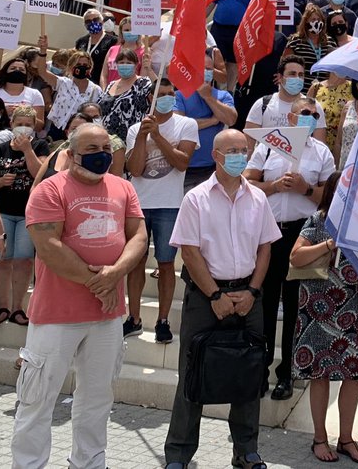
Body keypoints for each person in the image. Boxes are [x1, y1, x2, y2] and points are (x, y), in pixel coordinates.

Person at [11, 123, 147, 469]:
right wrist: (100, 283)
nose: (103, 154)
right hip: (56, 315)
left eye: (107, 146)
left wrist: (114, 274)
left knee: (97, 399)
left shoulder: (124, 188)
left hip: (107, 318)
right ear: (70, 154)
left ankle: (88, 463)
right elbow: (49, 247)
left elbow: (138, 237)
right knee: (37, 400)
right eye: (92, 149)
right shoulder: (49, 191)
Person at [163, 129, 276, 469]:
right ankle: (179, 455)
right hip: (205, 296)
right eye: (232, 150)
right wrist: (215, 294)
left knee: (249, 373)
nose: (240, 155)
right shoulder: (196, 198)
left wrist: (253, 292)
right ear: (216, 155)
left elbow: (265, 247)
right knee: (192, 374)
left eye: (244, 149)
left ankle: (246, 451)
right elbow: (190, 251)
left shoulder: (258, 197)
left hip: (248, 295)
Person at [245, 95, 336, 401]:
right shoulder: (268, 145)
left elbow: (328, 198)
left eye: (314, 113)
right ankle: (259, 369)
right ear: (292, 118)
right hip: (269, 233)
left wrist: (305, 188)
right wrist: (273, 187)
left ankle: (287, 372)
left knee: (296, 305)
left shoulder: (321, 152)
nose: (309, 116)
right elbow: (247, 183)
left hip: (302, 234)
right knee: (265, 302)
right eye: (304, 112)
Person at [288, 172, 358, 464]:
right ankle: (319, 438)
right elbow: (295, 257)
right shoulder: (318, 220)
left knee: (353, 373)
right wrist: (328, 245)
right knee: (319, 373)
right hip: (317, 309)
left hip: (349, 308)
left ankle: (346, 438)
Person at [124, 77, 198, 343]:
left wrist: (158, 136)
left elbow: (181, 163)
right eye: (162, 94)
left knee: (166, 264)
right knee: (135, 262)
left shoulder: (186, 125)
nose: (167, 97)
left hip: (169, 204)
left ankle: (162, 321)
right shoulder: (135, 129)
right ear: (150, 99)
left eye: (171, 93)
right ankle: (133, 318)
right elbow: (134, 169)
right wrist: (144, 135)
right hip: (139, 205)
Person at [0, 106, 48, 328]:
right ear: (11, 125)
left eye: (29, 124)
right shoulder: (0, 149)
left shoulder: (40, 145)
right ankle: (3, 306)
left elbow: (41, 174)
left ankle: (18, 308)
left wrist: (28, 150)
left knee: (23, 259)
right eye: (20, 123)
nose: (24, 128)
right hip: (2, 211)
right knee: (2, 259)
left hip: (27, 213)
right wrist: (0, 182)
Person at [177, 51, 237, 190]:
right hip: (186, 169)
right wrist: (212, 121)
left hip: (214, 168)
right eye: (201, 68)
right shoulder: (179, 95)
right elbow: (179, 125)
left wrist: (208, 97)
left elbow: (231, 119)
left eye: (209, 69)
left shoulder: (223, 95)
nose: (206, 72)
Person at [244, 55, 329, 141]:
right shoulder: (262, 104)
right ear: (280, 77)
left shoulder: (314, 107)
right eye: (292, 74)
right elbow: (249, 143)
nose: (297, 78)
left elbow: (320, 144)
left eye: (301, 75)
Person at [33, 43, 102, 140]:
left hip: (78, 133)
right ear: (70, 67)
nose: (81, 67)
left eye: (85, 65)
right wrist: (43, 51)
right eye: (78, 64)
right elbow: (42, 71)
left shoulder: (96, 90)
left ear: (90, 68)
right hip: (56, 129)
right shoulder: (63, 83)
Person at [99, 47, 155, 143]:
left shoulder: (143, 83)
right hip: (107, 141)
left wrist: (149, 70)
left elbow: (160, 90)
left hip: (131, 140)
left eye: (129, 63)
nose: (125, 65)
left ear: (136, 65)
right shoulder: (111, 85)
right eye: (121, 62)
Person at [0, 55, 47, 130]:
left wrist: (24, 115)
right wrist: (2, 113)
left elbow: (39, 127)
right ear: (5, 72)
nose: (17, 71)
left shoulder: (35, 94)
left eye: (21, 69)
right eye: (13, 68)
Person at [284, 5, 331, 89]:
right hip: (302, 89)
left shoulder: (329, 42)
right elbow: (284, 63)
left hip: (324, 92)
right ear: (306, 22)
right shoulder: (296, 41)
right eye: (313, 20)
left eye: (319, 20)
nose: (316, 22)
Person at [74, 8, 119, 84]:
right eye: (88, 21)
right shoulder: (81, 42)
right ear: (85, 25)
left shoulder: (113, 41)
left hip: (100, 83)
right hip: (81, 83)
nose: (92, 22)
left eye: (95, 19)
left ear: (102, 21)